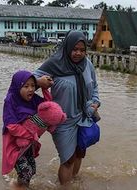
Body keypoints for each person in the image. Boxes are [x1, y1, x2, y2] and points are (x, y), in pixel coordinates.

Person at [33, 30, 101, 185]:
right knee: (68, 159)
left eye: (82, 50)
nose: (78, 53)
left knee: (79, 153)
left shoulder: (87, 64)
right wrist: (39, 83)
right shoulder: (55, 63)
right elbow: (27, 82)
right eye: (74, 49)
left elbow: (95, 86)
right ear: (67, 47)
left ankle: (74, 183)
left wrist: (96, 102)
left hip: (83, 117)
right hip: (62, 122)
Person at [1, 70, 57, 190]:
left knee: (31, 169)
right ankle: (17, 186)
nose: (30, 89)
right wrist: (30, 134)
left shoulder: (33, 99)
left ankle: (19, 186)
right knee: (25, 172)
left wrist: (43, 88)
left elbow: (47, 107)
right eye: (26, 86)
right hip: (15, 144)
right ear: (17, 86)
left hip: (28, 144)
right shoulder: (10, 100)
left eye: (33, 86)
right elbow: (11, 126)